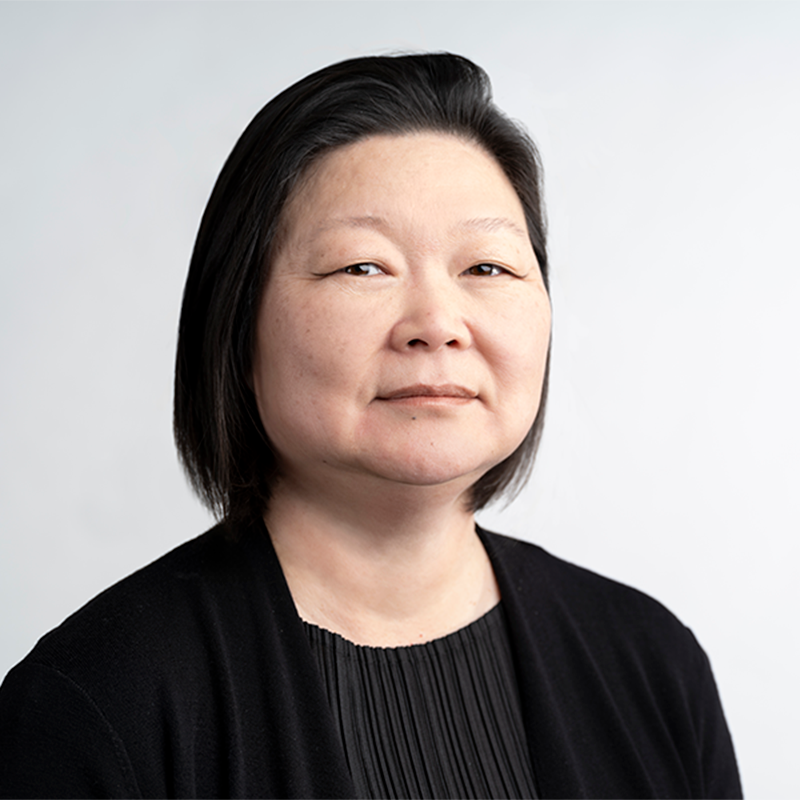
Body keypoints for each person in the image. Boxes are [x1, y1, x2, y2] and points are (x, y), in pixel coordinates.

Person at [0, 53, 741, 799]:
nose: (437, 325)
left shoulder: (650, 662)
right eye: (362, 266)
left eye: (487, 267)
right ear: (237, 329)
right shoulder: (97, 700)